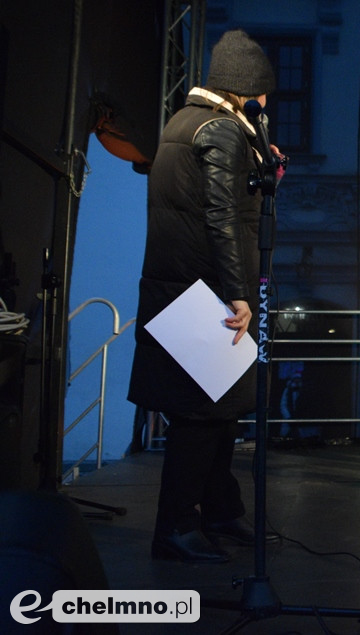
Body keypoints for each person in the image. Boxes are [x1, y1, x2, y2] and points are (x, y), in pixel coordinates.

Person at [128, 29, 282, 563]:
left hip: (184, 286)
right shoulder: (221, 131)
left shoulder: (186, 120)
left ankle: (220, 511)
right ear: (246, 89)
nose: (267, 104)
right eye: (262, 95)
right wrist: (239, 296)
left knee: (220, 411)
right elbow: (220, 216)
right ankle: (174, 527)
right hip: (210, 290)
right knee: (201, 414)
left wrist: (261, 153)